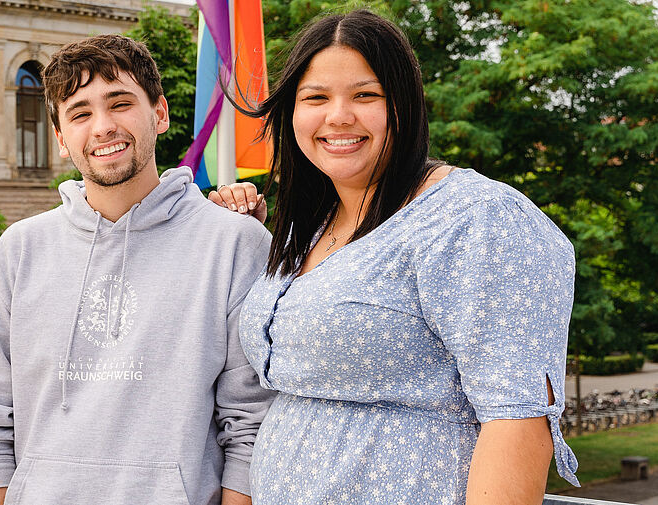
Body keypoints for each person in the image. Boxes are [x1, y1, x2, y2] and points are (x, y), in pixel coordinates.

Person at [208, 8, 580, 504]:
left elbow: (517, 418)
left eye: (366, 95)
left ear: (404, 105)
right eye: (315, 97)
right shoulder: (309, 224)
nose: (338, 116)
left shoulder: (474, 217)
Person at [0, 34, 274, 505]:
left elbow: (249, 421)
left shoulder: (235, 243)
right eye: (80, 113)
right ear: (61, 138)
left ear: (159, 113)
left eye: (119, 103)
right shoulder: (20, 249)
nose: (102, 126)